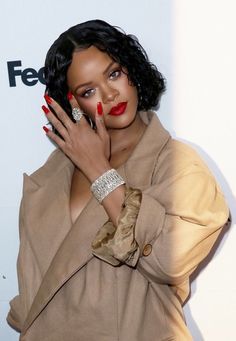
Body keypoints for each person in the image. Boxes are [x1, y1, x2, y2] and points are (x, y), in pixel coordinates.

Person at [7, 19, 229, 341]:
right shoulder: (49, 178)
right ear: (73, 104)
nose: (110, 94)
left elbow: (168, 259)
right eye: (89, 90)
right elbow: (33, 286)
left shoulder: (177, 165)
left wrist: (100, 172)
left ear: (132, 71)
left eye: (114, 74)